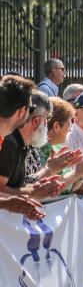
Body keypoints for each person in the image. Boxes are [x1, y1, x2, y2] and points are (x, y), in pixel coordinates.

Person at [0, 76, 44, 219]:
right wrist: (7, 203)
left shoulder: (3, 139)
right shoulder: (8, 141)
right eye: (30, 109)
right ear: (21, 111)